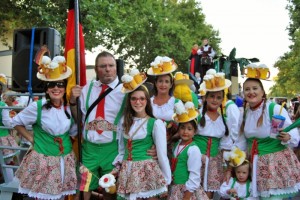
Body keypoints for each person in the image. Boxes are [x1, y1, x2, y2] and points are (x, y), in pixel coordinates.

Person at [70, 51, 156, 200]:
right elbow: (79, 119)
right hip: (89, 148)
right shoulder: (87, 89)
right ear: (96, 69)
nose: (107, 69)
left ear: (116, 68)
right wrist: (72, 101)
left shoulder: (127, 91)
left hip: (112, 149)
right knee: (83, 190)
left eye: (111, 65)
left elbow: (143, 116)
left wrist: (152, 142)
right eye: (103, 66)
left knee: (110, 190)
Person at [12, 61, 77, 199]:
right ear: (46, 89)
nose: (56, 88)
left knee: (60, 196)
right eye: (51, 85)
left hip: (64, 159)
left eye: (60, 84)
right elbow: (16, 122)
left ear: (65, 88)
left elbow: (72, 132)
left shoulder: (68, 108)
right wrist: (31, 138)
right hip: (43, 160)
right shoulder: (38, 107)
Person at [235, 77, 300, 199]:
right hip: (255, 164)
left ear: (262, 91)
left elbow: (293, 131)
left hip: (275, 165)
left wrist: (288, 136)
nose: (251, 92)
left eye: (255, 88)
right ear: (243, 93)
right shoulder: (244, 113)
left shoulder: (274, 108)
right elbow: (241, 141)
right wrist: (233, 162)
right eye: (247, 89)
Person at [115, 84, 171, 199]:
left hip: (147, 171)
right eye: (134, 99)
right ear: (129, 101)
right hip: (128, 171)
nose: (138, 102)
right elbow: (122, 150)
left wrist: (166, 178)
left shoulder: (155, 123)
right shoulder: (123, 122)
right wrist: (116, 168)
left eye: (142, 98)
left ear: (147, 101)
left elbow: (162, 154)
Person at [194, 76, 233, 199]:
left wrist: (228, 169)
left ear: (222, 99)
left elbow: (226, 147)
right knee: (192, 192)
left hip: (214, 163)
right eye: (211, 96)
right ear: (205, 97)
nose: (215, 100)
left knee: (208, 194)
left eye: (218, 97)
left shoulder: (224, 121)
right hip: (195, 159)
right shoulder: (197, 116)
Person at [168, 100, 209, 200]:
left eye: (189, 129)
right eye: (182, 128)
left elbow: (194, 175)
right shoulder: (177, 145)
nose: (185, 131)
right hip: (176, 188)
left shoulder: (193, 149)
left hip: (187, 192)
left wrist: (187, 196)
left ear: (195, 132)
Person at [0, 91, 19, 182]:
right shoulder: (3, 105)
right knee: (8, 161)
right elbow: (7, 122)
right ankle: (10, 183)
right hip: (2, 136)